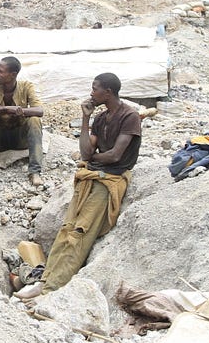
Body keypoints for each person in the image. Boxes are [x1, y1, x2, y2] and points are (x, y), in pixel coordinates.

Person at [16, 73, 140, 299]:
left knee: (81, 232)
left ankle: (52, 288)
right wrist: (85, 118)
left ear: (108, 92)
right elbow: (86, 152)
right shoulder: (101, 118)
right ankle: (44, 280)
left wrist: (94, 159)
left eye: (95, 89)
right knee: (67, 228)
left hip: (110, 180)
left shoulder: (129, 116)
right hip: (93, 175)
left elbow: (114, 156)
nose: (92, 93)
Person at [0, 56, 45, 190]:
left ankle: (34, 172)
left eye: (0, 71)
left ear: (13, 75)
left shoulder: (26, 86)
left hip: (19, 139)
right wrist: (4, 109)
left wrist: (14, 110)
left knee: (34, 120)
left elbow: (39, 110)